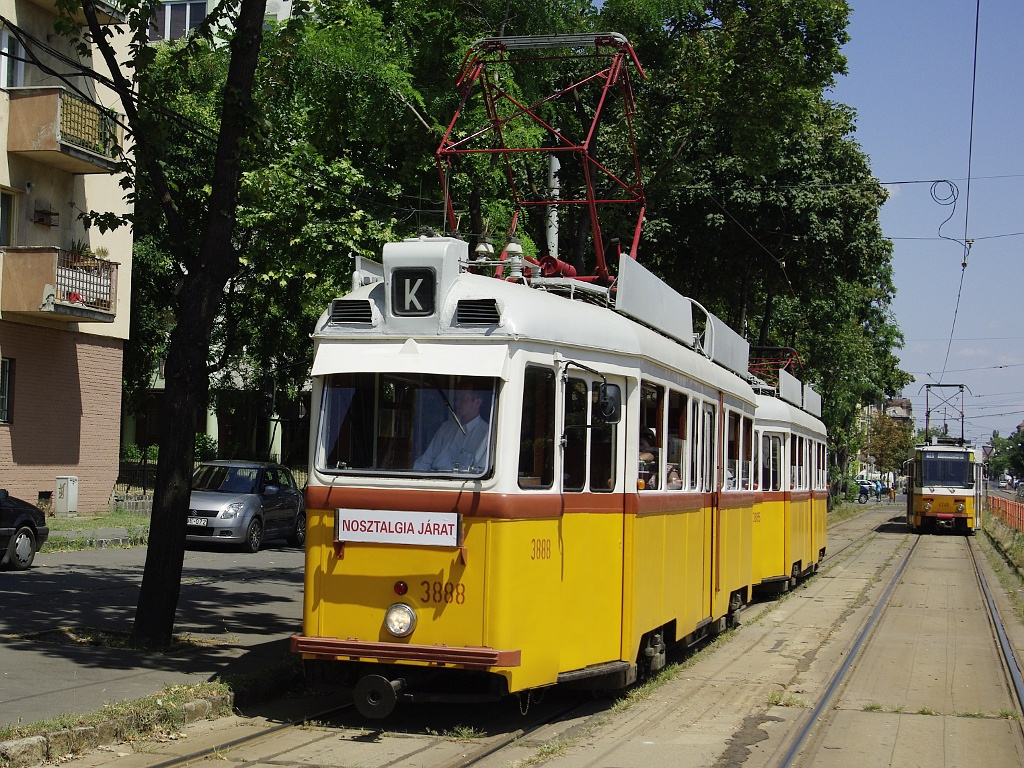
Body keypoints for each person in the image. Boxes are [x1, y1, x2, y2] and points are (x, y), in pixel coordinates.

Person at [414, 385, 490, 472]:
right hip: (433, 479)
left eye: (463, 399)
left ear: (477, 402)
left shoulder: (486, 434)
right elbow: (425, 461)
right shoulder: (446, 428)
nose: (457, 403)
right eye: (457, 399)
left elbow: (480, 472)